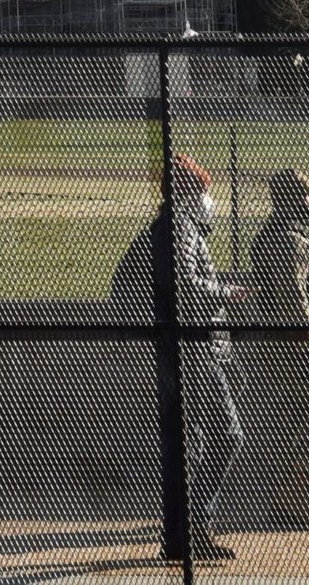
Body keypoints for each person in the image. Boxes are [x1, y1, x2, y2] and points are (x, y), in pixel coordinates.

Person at [119, 153, 243, 562]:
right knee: (224, 434)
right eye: (205, 191)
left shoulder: (170, 227)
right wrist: (227, 292)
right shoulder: (181, 228)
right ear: (191, 193)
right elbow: (188, 289)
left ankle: (183, 533)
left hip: (182, 347)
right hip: (192, 347)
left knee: (188, 442)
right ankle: (191, 526)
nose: (210, 200)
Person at [243, 169, 309, 528]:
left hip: (283, 348)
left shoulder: (274, 237)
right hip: (300, 348)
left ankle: (285, 502)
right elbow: (292, 303)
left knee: (292, 424)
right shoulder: (288, 241)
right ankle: (291, 494)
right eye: (307, 197)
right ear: (292, 199)